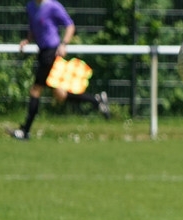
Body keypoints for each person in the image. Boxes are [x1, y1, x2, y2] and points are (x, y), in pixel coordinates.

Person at [8, 0, 110, 140]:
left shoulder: (53, 6)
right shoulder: (30, 6)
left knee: (36, 90)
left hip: (51, 53)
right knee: (60, 94)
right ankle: (96, 101)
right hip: (42, 52)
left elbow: (70, 25)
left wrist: (64, 44)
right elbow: (34, 27)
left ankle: (25, 131)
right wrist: (27, 40)